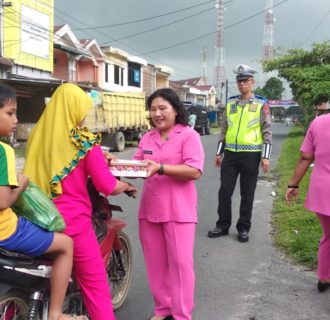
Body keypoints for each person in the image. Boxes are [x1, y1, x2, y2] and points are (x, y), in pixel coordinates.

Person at [23, 83, 137, 320]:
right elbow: (108, 186)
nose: (84, 117)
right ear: (74, 109)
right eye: (82, 110)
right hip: (72, 224)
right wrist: (126, 185)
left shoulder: (37, 134)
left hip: (36, 217)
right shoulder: (83, 142)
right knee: (95, 285)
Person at [0, 83, 86, 320]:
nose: (16, 119)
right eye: (9, 113)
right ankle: (57, 313)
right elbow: (4, 201)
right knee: (66, 244)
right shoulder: (3, 151)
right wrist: (22, 186)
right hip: (5, 230)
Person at [133, 88, 204, 320]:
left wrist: (161, 168)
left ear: (175, 109)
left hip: (179, 211)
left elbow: (194, 170)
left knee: (181, 265)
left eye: (162, 108)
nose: (157, 114)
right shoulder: (148, 137)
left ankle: (182, 314)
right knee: (155, 264)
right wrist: (114, 163)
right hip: (150, 211)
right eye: (153, 109)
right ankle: (163, 309)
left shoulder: (188, 135)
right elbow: (136, 163)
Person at [208, 64, 272, 242]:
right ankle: (222, 225)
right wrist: (219, 153)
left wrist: (265, 157)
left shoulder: (261, 103)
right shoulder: (230, 103)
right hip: (230, 154)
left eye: (245, 81)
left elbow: (267, 131)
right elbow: (224, 130)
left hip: (251, 155)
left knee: (247, 192)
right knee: (224, 191)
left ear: (252, 82)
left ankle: (243, 227)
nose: (242, 84)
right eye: (239, 81)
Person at [285, 112, 330, 292]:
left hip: (323, 190)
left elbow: (306, 157)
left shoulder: (319, 122)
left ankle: (324, 278)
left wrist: (293, 184)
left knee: (328, 235)